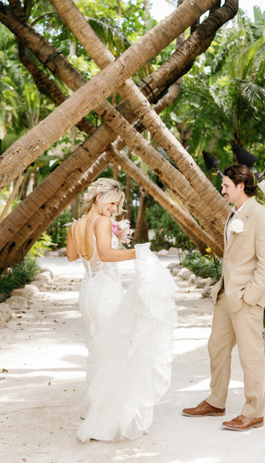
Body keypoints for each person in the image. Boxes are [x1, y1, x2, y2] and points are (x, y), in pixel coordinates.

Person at [67, 178, 177, 442]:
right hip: (106, 292)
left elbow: (73, 256)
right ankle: (107, 420)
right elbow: (104, 255)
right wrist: (137, 252)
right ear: (98, 198)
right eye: (112, 202)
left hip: (88, 293)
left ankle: (100, 410)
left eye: (117, 205)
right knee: (115, 352)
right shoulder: (101, 222)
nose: (114, 209)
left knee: (101, 348)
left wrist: (112, 239)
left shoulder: (75, 225)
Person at [182, 164, 265, 431]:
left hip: (246, 298)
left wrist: (250, 296)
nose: (222, 189)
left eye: (225, 185)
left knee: (251, 356)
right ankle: (216, 401)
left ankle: (254, 412)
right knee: (217, 348)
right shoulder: (233, 215)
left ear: (240, 186)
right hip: (226, 294)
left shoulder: (261, 217)